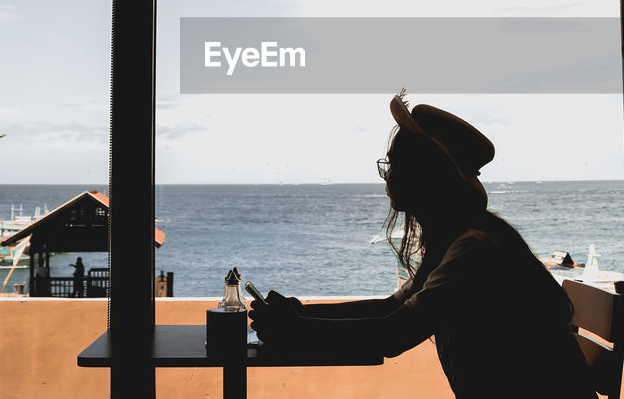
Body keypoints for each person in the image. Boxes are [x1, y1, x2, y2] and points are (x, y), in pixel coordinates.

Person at [249, 92, 592, 398]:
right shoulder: (463, 241)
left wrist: (297, 328)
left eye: (393, 164)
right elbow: (389, 307)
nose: (387, 175)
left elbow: (392, 334)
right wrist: (302, 312)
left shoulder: (474, 250)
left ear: (423, 174)